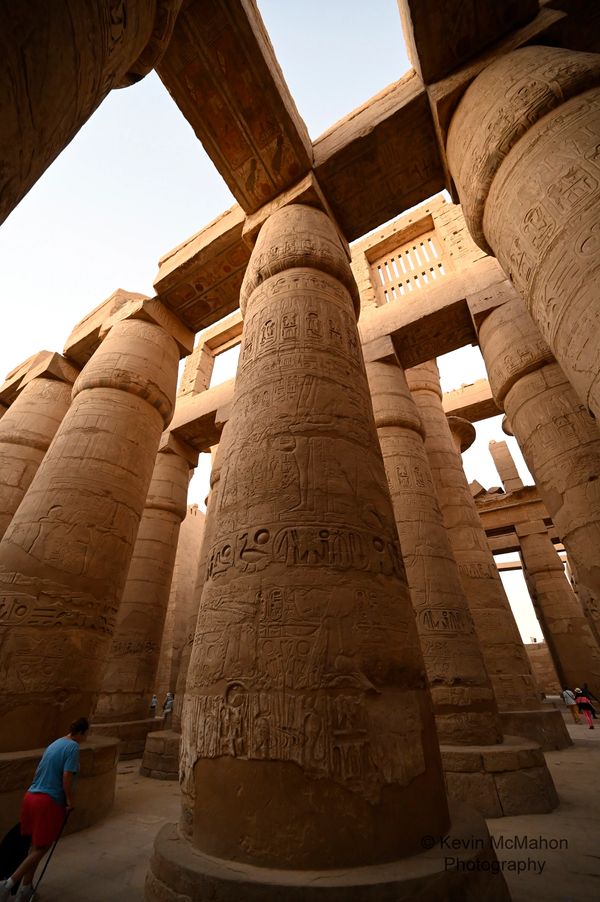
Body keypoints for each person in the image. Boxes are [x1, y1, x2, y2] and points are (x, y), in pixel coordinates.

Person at [0, 717, 89, 902]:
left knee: (35, 846)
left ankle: (25, 890)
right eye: (86, 735)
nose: (86, 739)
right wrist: (70, 800)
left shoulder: (56, 743)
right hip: (48, 801)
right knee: (42, 848)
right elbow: (66, 777)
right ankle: (8, 884)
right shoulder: (72, 747)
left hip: (31, 797)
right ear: (80, 732)